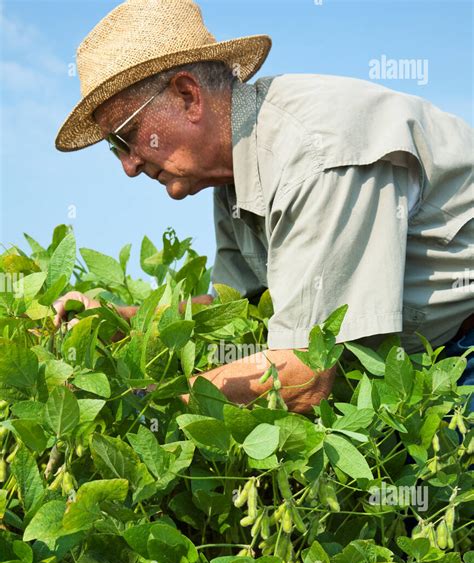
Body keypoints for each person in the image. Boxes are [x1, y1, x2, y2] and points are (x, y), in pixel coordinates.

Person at [53, 0, 474, 414]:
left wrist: (141, 402)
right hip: (430, 359)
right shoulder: (232, 173)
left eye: (127, 136)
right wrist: (121, 320)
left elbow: (307, 373)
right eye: (115, 149)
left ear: (188, 95)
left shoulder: (313, 156)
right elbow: (240, 311)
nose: (128, 166)